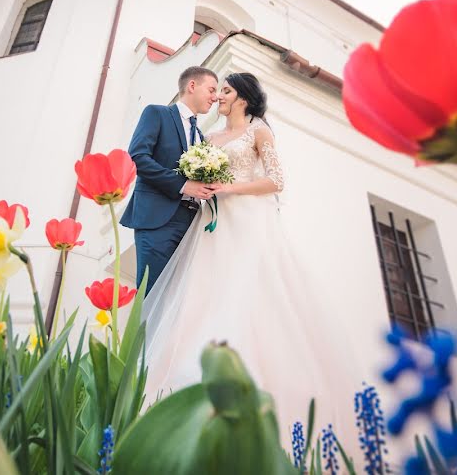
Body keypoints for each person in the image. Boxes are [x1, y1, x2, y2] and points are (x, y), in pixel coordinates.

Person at [142, 72, 351, 439]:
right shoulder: (208, 138)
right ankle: (186, 380)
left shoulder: (259, 132)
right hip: (211, 223)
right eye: (216, 90)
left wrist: (230, 187)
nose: (218, 96)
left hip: (248, 221)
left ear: (242, 98)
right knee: (203, 292)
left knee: (249, 292)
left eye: (225, 91)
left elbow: (276, 180)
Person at [120, 66, 218, 295]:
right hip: (157, 220)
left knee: (176, 302)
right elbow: (138, 157)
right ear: (192, 86)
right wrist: (184, 185)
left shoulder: (202, 137)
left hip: (190, 223)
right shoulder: (157, 114)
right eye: (211, 89)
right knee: (152, 296)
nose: (215, 97)